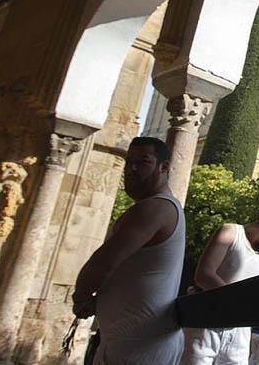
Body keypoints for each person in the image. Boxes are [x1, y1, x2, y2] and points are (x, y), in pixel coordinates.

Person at [72, 137, 185, 364]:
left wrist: (82, 296)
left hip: (140, 348)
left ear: (163, 167)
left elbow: (104, 262)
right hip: (130, 344)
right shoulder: (157, 207)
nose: (132, 169)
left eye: (143, 162)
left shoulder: (156, 208)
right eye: (128, 162)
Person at [182, 207, 259, 364]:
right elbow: (203, 275)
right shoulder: (230, 233)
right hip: (207, 324)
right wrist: (237, 302)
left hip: (239, 330)